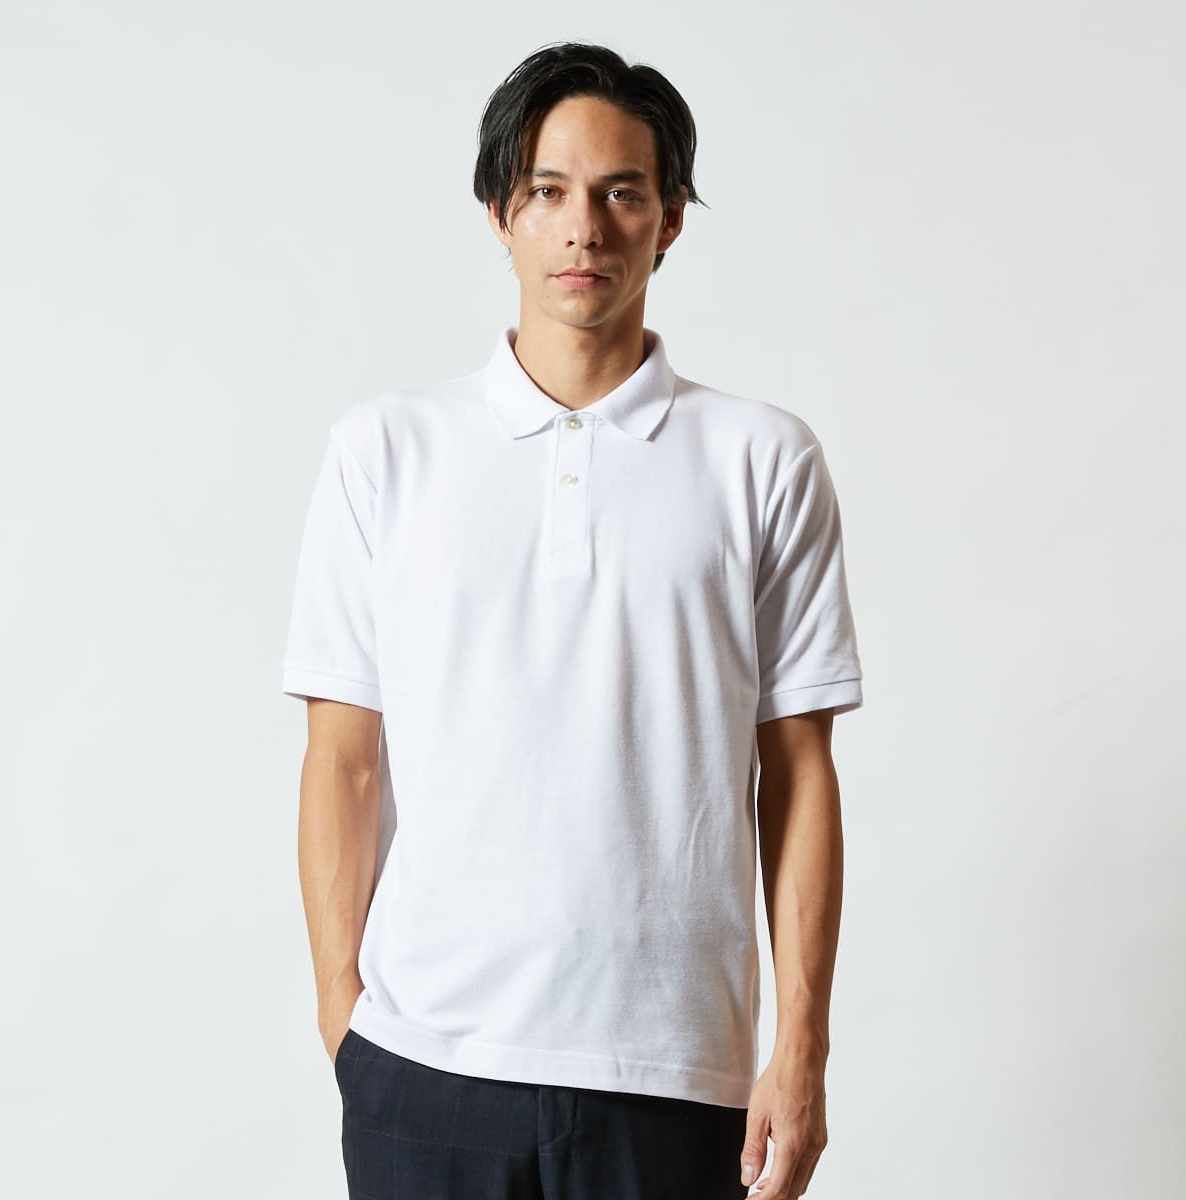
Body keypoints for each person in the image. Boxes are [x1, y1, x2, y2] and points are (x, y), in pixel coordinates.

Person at [281, 40, 864, 1200]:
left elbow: (799, 773)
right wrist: (345, 1021)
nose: (583, 228)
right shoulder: (385, 452)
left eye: (621, 193)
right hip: (425, 1067)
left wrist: (800, 1051)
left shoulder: (763, 460)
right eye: (547, 191)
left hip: (672, 1076)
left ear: (671, 218)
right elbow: (343, 760)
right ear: (501, 215)